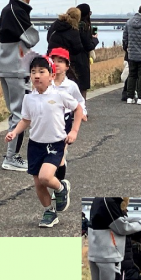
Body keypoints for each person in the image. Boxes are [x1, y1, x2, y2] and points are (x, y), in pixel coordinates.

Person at [5, 56, 83, 227]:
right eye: (33, 72)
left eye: (41, 71)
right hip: (35, 145)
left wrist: (74, 131)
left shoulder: (59, 94)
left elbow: (78, 109)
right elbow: (26, 120)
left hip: (55, 143)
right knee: (38, 183)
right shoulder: (29, 98)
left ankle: (61, 188)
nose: (37, 75)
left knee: (45, 177)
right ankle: (49, 212)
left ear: (52, 76)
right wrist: (14, 132)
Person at [0, 0, 39, 171]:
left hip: (6, 67)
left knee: (15, 113)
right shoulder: (17, 10)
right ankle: (11, 157)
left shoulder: (7, 9)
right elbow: (33, 38)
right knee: (21, 114)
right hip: (15, 68)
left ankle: (11, 154)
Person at [50, 47, 87, 182]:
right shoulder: (46, 83)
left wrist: (83, 112)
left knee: (60, 154)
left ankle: (60, 184)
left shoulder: (71, 86)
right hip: (48, 122)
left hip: (65, 120)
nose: (56, 64)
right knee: (50, 153)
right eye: (53, 61)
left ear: (67, 66)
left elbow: (80, 101)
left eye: (60, 61)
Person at [72, 3, 99, 100]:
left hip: (70, 60)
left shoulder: (71, 26)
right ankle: (81, 108)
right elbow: (89, 46)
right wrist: (95, 39)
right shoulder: (84, 28)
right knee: (82, 87)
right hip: (82, 60)